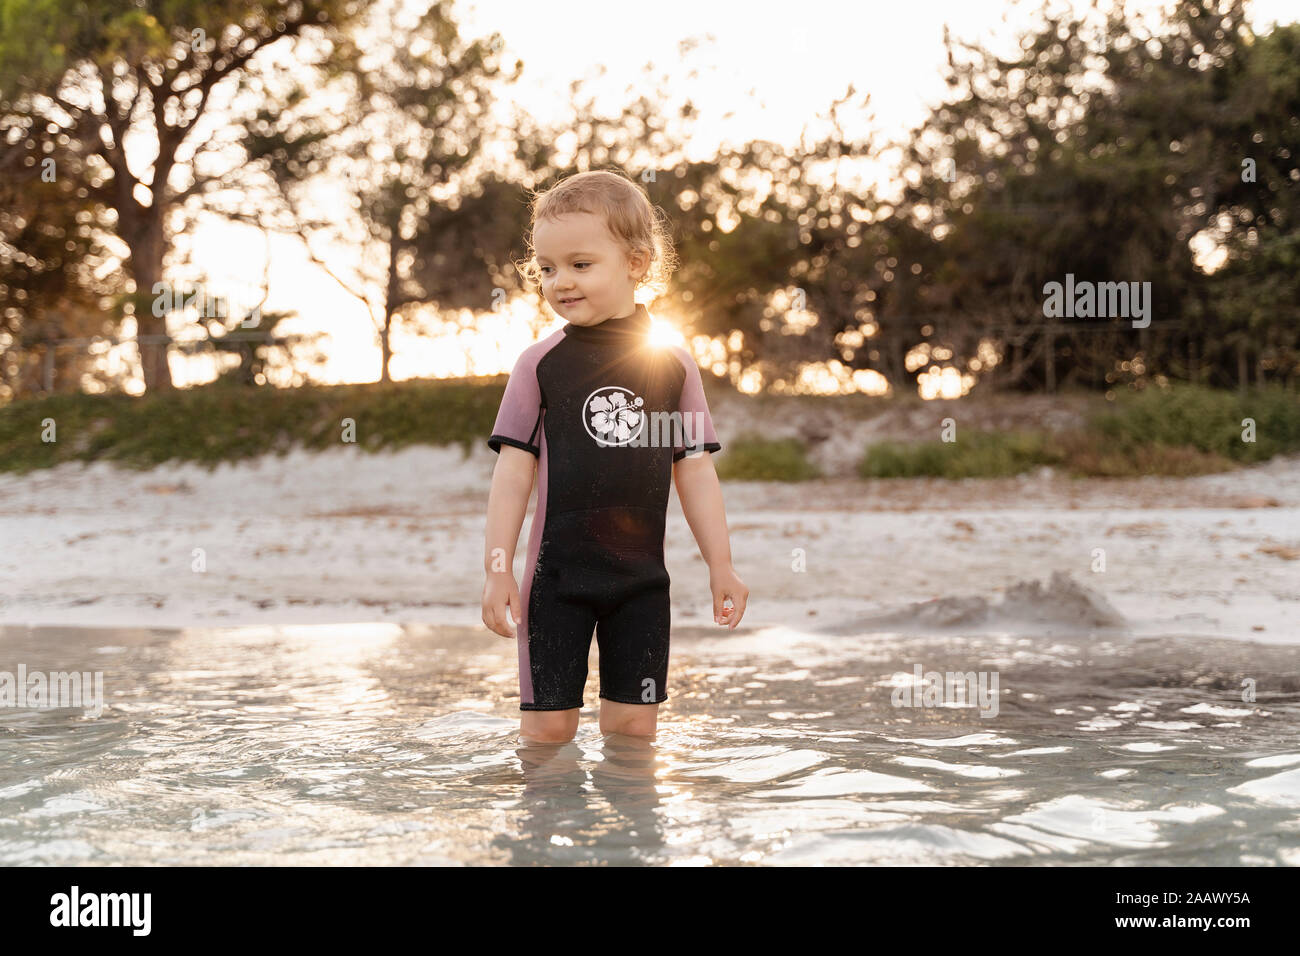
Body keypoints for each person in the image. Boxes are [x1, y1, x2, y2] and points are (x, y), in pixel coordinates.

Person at [481, 169, 748, 744]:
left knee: (633, 735)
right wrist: (497, 569)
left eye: (581, 264)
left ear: (635, 262)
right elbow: (512, 475)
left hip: (642, 585)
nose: (560, 282)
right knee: (547, 736)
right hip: (555, 582)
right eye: (547, 268)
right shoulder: (539, 364)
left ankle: (630, 839)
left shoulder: (671, 363)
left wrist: (720, 566)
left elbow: (695, 469)